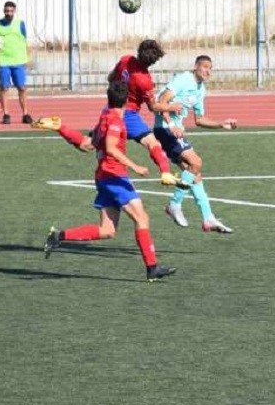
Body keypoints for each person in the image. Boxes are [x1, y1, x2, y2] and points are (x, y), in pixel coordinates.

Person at [42, 81, 177, 282]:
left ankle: (58, 236)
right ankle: (152, 268)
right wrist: (135, 166)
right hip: (114, 176)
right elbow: (112, 148)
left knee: (108, 230)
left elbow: (86, 144)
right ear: (127, 101)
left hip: (104, 177)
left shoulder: (104, 118)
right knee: (141, 218)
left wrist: (61, 128)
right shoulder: (115, 121)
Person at [154, 55, 238, 233]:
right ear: (196, 66)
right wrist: (172, 125)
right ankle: (174, 204)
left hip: (176, 131)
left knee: (195, 174)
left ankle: (208, 218)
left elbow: (199, 119)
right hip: (165, 129)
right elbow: (161, 102)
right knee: (196, 162)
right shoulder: (183, 79)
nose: (208, 71)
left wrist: (221, 124)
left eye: (210, 68)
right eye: (205, 67)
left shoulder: (201, 89)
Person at [107, 39, 189, 188]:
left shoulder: (125, 59)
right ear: (154, 61)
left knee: (98, 143)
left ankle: (61, 128)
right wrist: (172, 107)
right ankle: (165, 173)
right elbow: (153, 107)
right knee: (153, 143)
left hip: (110, 109)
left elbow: (110, 78)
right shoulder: (145, 80)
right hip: (128, 115)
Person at [0, 0, 33, 125]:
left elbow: (24, 41)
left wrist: (28, 58)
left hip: (19, 60)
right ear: (4, 11)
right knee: (4, 87)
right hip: (3, 61)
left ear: (14, 11)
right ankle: (6, 114)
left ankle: (25, 114)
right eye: (7, 11)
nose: (9, 13)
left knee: (22, 87)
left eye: (11, 11)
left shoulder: (20, 24)